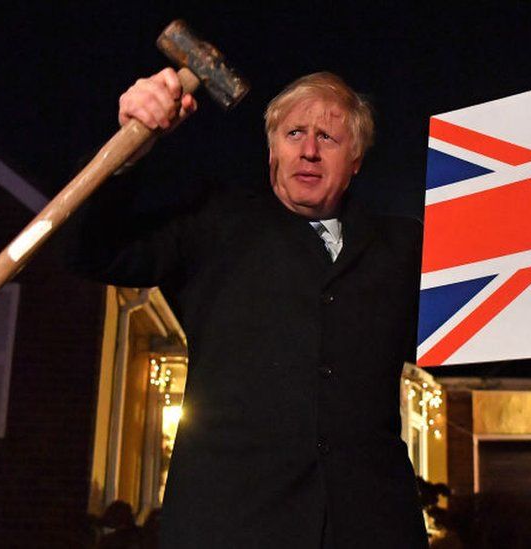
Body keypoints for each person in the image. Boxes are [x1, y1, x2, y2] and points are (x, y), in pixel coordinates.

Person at [68, 69, 428, 548]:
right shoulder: (215, 223)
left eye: (329, 136)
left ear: (357, 157)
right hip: (231, 525)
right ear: (272, 148)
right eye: (293, 133)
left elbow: (484, 329)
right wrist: (127, 150)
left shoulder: (404, 247)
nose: (309, 150)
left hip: (372, 528)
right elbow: (89, 250)